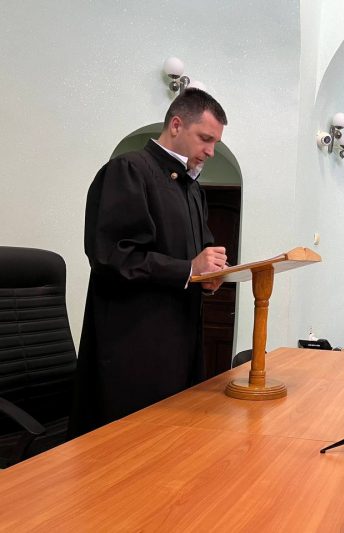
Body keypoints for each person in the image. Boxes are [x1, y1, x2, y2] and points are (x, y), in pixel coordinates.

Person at [70, 89, 229, 436]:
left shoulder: (193, 189)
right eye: (205, 139)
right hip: (134, 351)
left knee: (173, 447)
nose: (210, 151)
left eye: (215, 143)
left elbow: (199, 256)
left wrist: (210, 275)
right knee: (130, 451)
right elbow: (111, 256)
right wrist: (189, 269)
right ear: (176, 125)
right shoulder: (127, 170)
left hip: (180, 345)